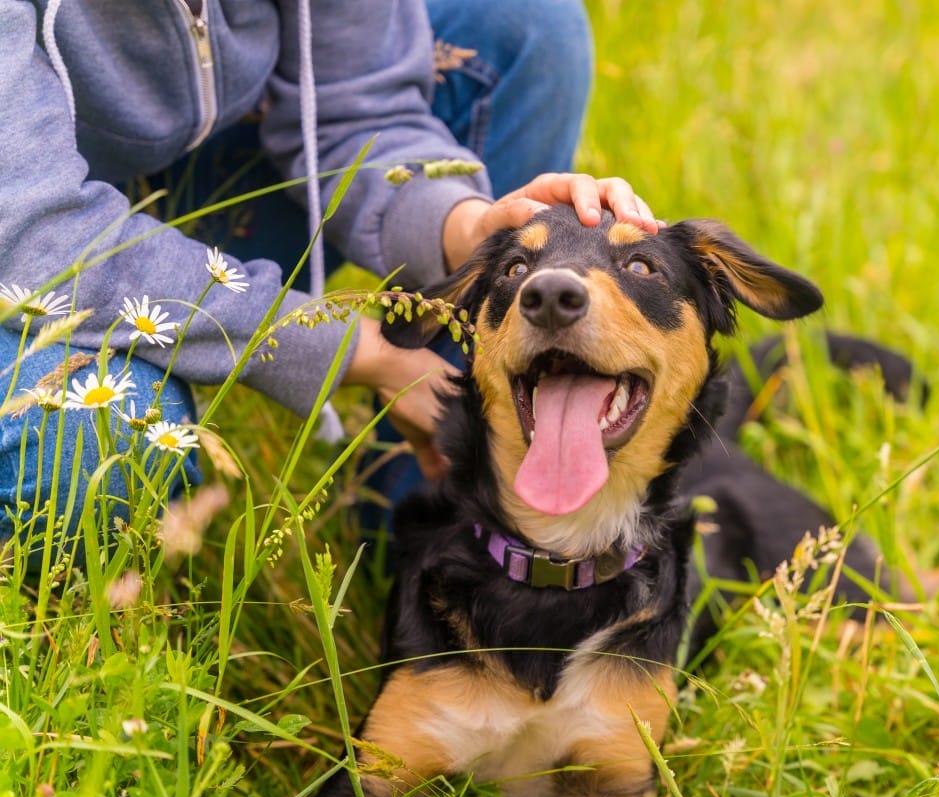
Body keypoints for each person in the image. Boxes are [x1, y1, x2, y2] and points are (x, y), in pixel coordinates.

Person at [0, 0, 659, 554]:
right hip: (29, 244)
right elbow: (37, 235)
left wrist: (469, 228)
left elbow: (360, 110)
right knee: (95, 437)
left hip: (188, 172)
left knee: (525, 27)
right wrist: (349, 351)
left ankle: (433, 515)